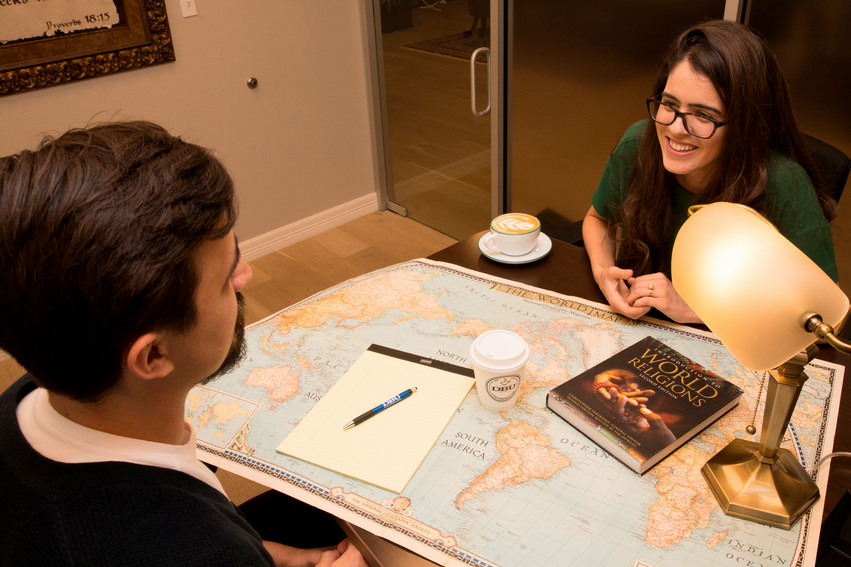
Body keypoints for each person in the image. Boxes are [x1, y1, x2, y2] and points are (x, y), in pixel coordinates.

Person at [0, 121, 367, 567]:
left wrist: (277, 558)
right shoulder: (185, 545)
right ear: (154, 356)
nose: (245, 275)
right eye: (226, 276)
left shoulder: (26, 398)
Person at [582, 20, 838, 324]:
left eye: (703, 115)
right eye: (669, 104)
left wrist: (691, 310)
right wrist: (603, 273)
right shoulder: (640, 142)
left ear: (744, 126)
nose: (676, 129)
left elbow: (826, 314)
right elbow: (597, 219)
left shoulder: (784, 183)